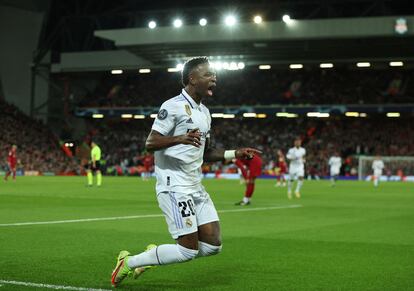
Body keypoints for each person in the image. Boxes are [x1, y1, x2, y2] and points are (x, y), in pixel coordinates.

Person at [111, 57, 261, 287]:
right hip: (174, 185)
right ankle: (129, 262)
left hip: (195, 185)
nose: (214, 78)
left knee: (213, 246)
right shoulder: (171, 106)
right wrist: (180, 137)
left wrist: (235, 153)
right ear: (192, 79)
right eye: (208, 75)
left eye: (214, 75)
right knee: (187, 251)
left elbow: (205, 152)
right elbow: (150, 143)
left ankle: (156, 255)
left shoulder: (204, 113)